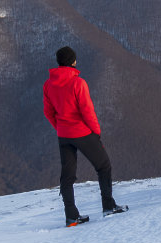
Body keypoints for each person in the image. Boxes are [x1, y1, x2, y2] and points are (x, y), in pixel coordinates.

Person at [43, 46, 128, 226]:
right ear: (73, 61)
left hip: (63, 135)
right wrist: (96, 131)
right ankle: (108, 206)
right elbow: (87, 111)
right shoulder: (78, 83)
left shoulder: (48, 85)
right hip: (82, 132)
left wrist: (60, 128)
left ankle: (71, 216)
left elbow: (48, 112)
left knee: (67, 176)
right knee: (103, 166)